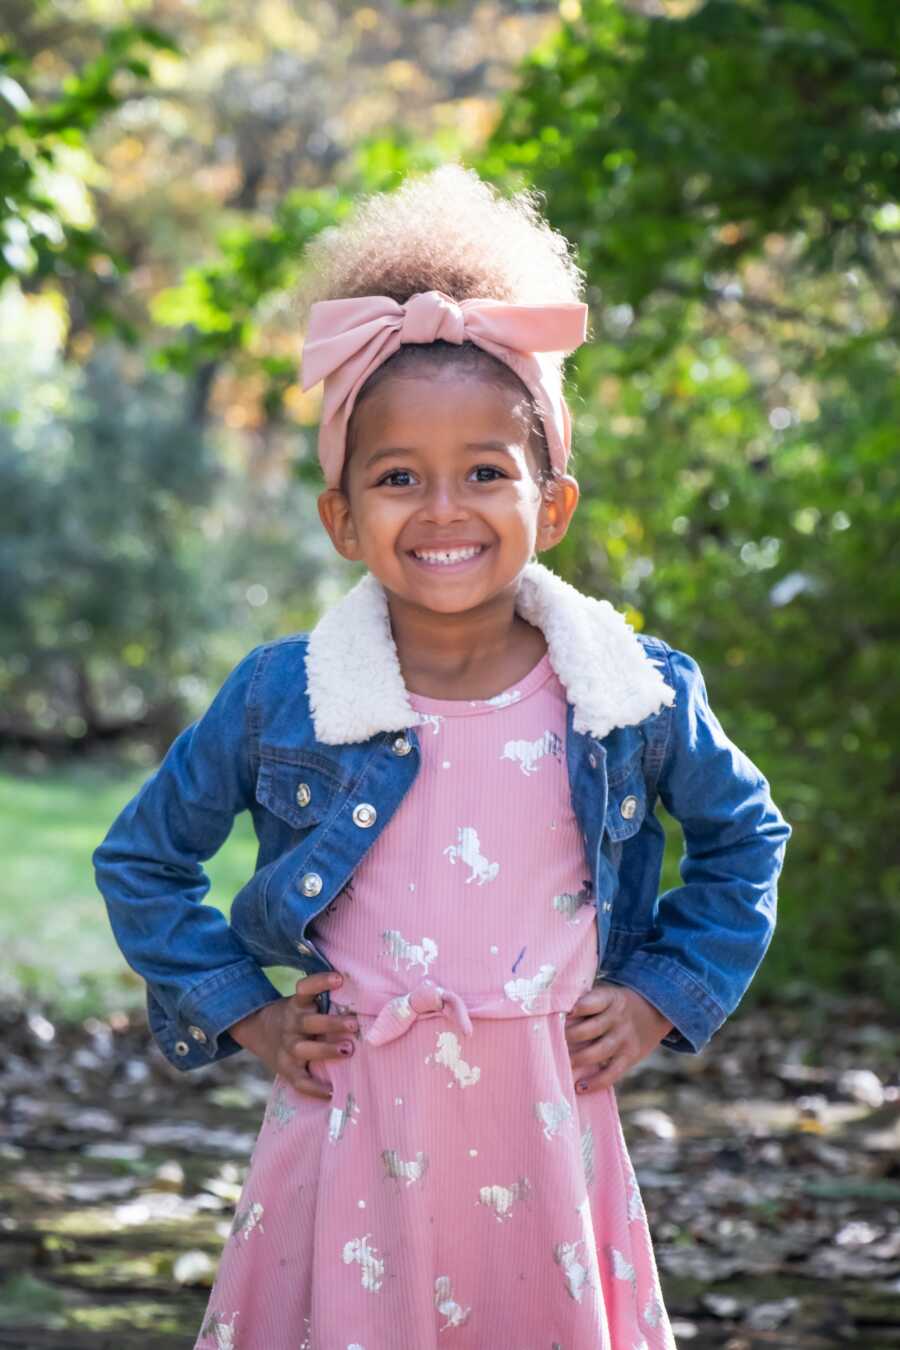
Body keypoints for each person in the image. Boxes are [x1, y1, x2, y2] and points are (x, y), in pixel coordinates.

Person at [93, 164, 790, 1350]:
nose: (443, 509)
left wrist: (664, 998)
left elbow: (743, 840)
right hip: (357, 1114)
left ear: (552, 505)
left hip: (545, 1119)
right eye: (398, 477)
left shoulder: (630, 691)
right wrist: (243, 1016)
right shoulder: (286, 696)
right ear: (342, 516)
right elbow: (142, 861)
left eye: (486, 472)